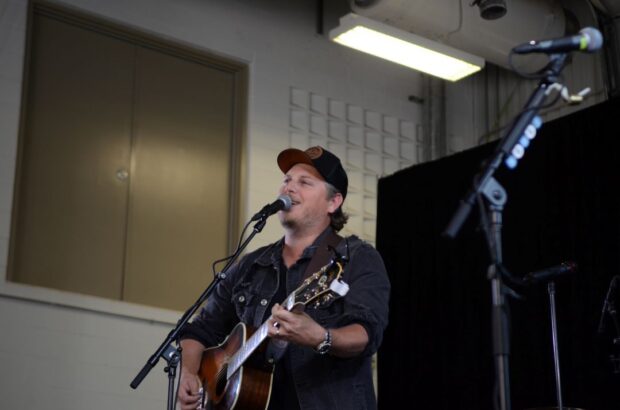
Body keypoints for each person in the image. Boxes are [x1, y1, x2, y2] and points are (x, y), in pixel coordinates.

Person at [177, 146, 390, 410]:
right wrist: (188, 372)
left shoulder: (357, 258)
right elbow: (199, 330)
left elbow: (366, 332)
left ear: (333, 202)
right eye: (287, 179)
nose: (289, 188)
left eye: (305, 182)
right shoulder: (251, 265)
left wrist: (320, 337)